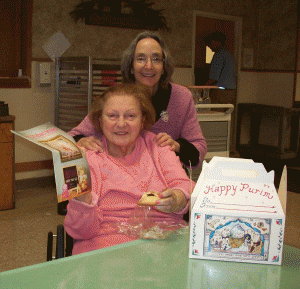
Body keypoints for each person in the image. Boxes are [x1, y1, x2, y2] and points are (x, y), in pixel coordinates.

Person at [64, 83, 195, 255]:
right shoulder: (87, 157)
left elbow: (185, 186)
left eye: (131, 116)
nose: (121, 123)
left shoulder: (159, 147)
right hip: (106, 245)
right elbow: (81, 232)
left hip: (163, 240)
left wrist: (177, 198)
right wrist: (82, 199)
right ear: (99, 121)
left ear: (142, 121)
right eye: (112, 116)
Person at [69, 31, 207, 169]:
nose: (148, 66)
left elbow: (198, 151)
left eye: (156, 59)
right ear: (131, 67)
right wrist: (82, 141)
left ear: (164, 68)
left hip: (167, 178)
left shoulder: (182, 97)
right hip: (123, 179)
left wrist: (177, 146)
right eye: (141, 58)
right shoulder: (114, 97)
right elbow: (70, 138)